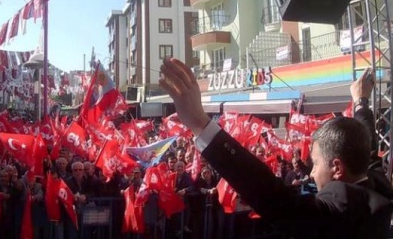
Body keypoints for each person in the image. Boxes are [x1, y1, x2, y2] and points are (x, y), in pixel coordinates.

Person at [159, 58, 393, 239]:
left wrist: (201, 124)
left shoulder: (340, 207)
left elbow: (272, 194)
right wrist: (361, 102)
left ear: (337, 168)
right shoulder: (379, 186)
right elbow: (368, 148)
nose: (311, 172)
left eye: (316, 162)